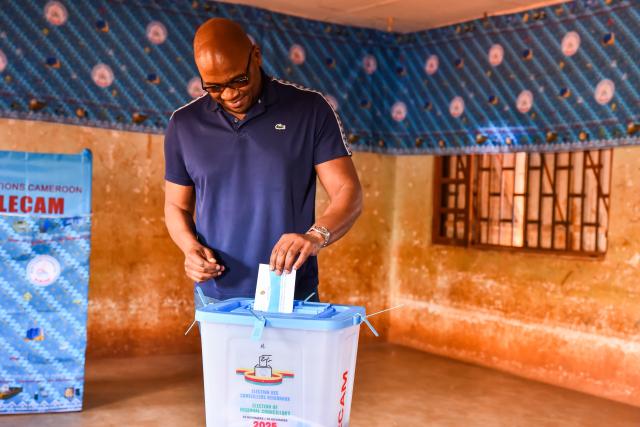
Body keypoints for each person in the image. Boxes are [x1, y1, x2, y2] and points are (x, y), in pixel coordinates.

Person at [163, 18, 362, 305]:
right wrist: (189, 248)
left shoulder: (310, 110)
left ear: (256, 56)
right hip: (215, 296)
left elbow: (348, 192)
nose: (230, 94)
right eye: (215, 88)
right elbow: (176, 206)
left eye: (238, 80)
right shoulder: (184, 124)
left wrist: (316, 236)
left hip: (290, 292)